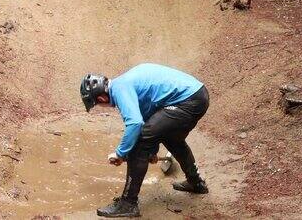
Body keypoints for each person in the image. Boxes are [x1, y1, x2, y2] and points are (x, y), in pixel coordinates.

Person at [80, 63, 210, 218]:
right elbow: (151, 121)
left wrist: (120, 153)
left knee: (139, 143)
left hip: (187, 101)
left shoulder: (121, 88)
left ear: (101, 98)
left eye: (97, 104)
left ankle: (128, 203)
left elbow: (135, 124)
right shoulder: (127, 85)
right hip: (197, 95)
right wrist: (152, 152)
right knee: (172, 139)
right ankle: (196, 183)